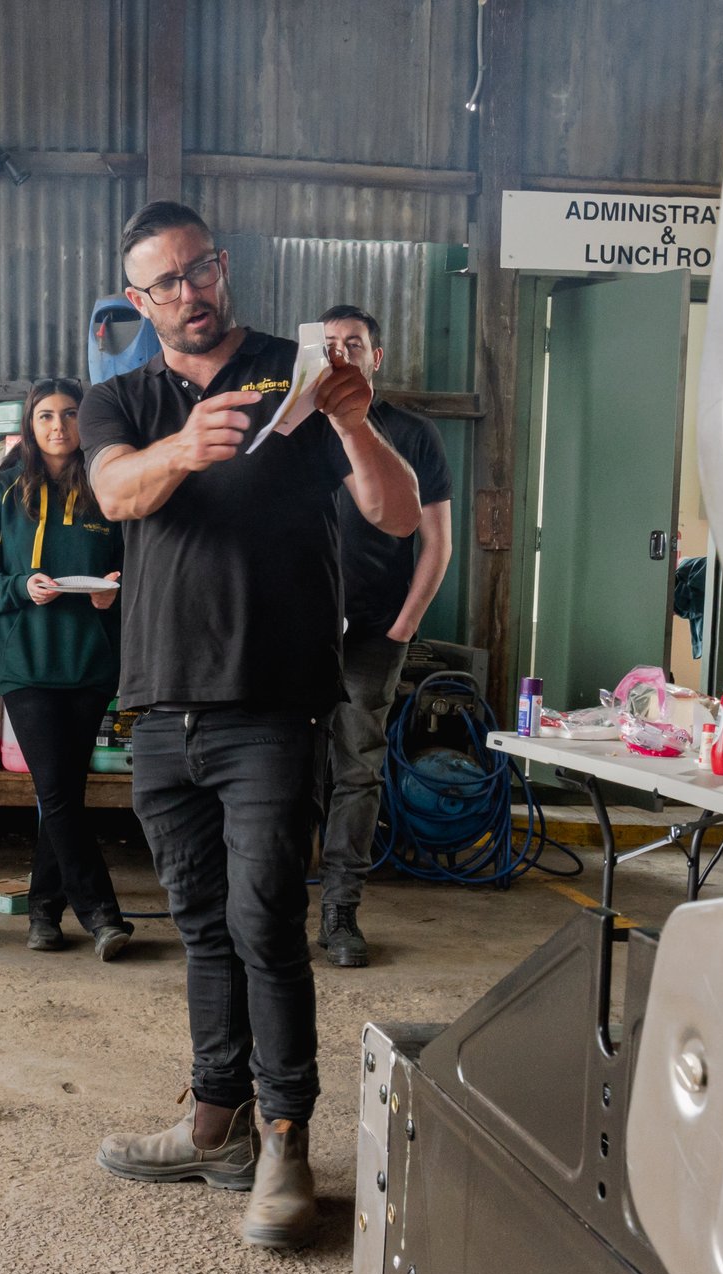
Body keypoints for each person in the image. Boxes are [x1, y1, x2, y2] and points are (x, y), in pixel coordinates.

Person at [80, 202, 421, 1250]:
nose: (190, 293)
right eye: (165, 283)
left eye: (202, 270)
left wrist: (354, 422)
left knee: (264, 920)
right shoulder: (120, 400)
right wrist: (182, 448)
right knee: (195, 923)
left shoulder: (299, 375)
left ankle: (285, 1142)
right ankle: (213, 1119)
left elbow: (397, 515)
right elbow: (112, 491)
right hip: (158, 704)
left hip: (272, 701)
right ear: (136, 301)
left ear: (223, 269)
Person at [0, 378, 132, 960]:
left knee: (63, 793)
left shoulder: (109, 489)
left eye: (71, 414)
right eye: (46, 416)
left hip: (89, 662)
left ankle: (43, 916)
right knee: (56, 792)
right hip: (26, 662)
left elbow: (141, 568)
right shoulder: (5, 491)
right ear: (30, 426)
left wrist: (116, 591)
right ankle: (104, 915)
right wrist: (17, 586)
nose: (59, 427)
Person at [315, 304, 455, 969]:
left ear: (376, 358)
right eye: (329, 344)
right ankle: (277, 904)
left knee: (357, 767)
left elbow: (437, 541)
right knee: (281, 768)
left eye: (355, 343)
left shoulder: (412, 433)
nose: (341, 353)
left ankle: (340, 909)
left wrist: (406, 623)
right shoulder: (293, 429)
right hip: (294, 629)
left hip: (374, 632)